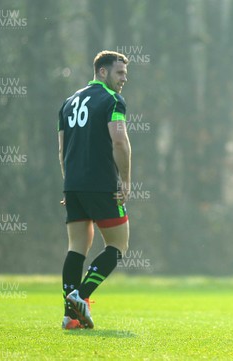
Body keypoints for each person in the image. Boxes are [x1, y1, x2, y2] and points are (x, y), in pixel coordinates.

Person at [58, 50, 131, 329]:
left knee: (77, 247)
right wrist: (125, 180)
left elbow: (62, 150)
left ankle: (70, 315)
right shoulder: (112, 100)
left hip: (74, 186)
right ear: (102, 72)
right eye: (119, 73)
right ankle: (81, 296)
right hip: (102, 186)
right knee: (117, 245)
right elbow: (120, 142)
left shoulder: (67, 102)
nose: (124, 79)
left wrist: (68, 184)